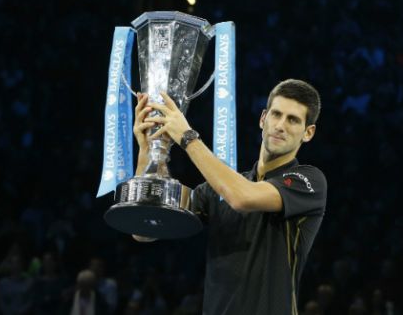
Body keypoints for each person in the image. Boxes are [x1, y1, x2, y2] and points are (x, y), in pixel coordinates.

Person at [132, 79, 327, 315]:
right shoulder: (217, 189)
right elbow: (143, 230)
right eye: (276, 115)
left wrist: (187, 137)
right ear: (263, 119)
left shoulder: (308, 181)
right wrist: (149, 152)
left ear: (308, 133)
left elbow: (241, 197)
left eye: (293, 120)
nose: (281, 125)